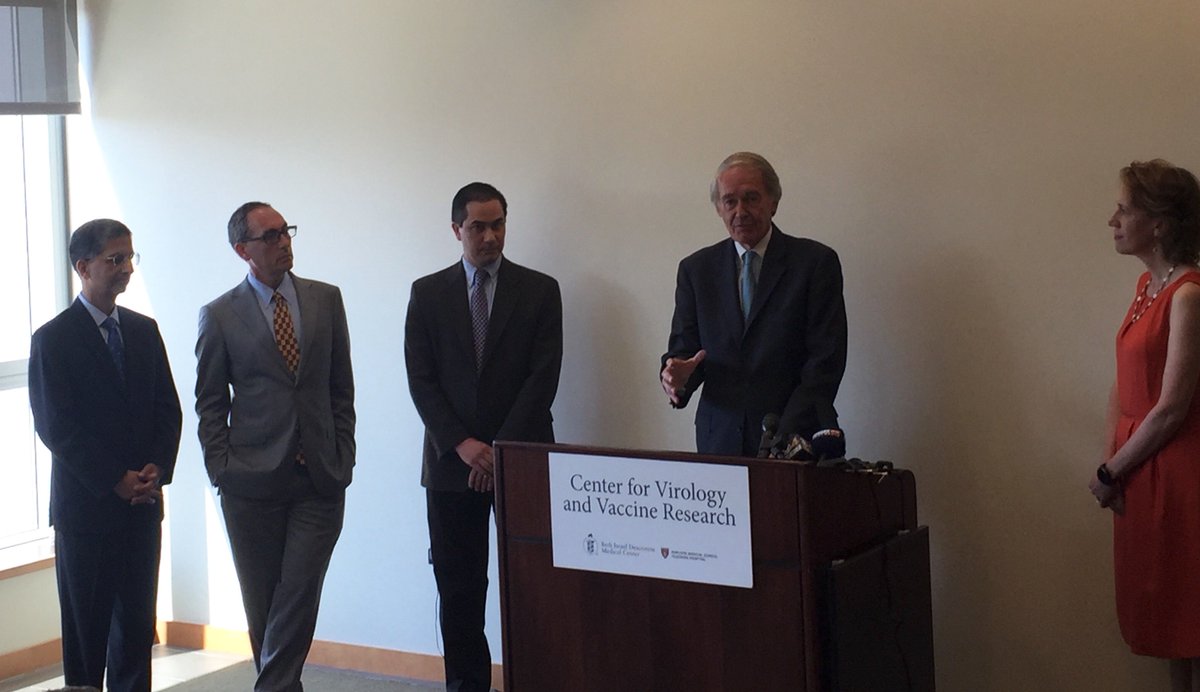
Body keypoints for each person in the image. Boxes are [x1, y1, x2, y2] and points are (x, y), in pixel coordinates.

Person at [405, 182, 563, 691]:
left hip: (522, 460)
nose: (490, 236)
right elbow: (421, 380)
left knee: (533, 585)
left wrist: (498, 451)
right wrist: (464, 446)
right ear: (457, 230)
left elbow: (543, 378)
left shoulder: (540, 290)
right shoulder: (427, 294)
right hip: (451, 465)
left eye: (498, 225)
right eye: (478, 226)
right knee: (459, 590)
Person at [195, 202, 356, 692]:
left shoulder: (325, 300)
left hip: (319, 476)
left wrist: (344, 453)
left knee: (298, 593)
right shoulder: (219, 315)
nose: (283, 241)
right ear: (242, 250)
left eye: (286, 231)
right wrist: (222, 469)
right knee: (264, 608)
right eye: (270, 236)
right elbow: (210, 403)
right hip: (249, 482)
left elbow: (340, 389)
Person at [28, 219, 183, 691]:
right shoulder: (53, 339)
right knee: (86, 637)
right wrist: (115, 477)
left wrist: (157, 467)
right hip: (87, 511)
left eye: (130, 257)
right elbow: (57, 427)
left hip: (141, 507)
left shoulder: (143, 330)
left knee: (136, 634)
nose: (127, 268)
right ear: (83, 266)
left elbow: (168, 409)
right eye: (115, 259)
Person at [1089, 159, 1200, 691]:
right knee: (1167, 623)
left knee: (1190, 616)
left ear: (1158, 222)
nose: (1113, 220)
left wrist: (1112, 471)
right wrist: (1111, 462)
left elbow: (1172, 407)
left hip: (1179, 474)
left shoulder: (1188, 295)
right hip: (1140, 467)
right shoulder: (1147, 286)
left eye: (1124, 210)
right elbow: (1124, 381)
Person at [661, 152, 848, 456]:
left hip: (796, 440)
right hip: (719, 441)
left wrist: (782, 434)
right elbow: (686, 352)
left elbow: (825, 361)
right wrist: (678, 379)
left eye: (751, 198)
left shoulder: (815, 263)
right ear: (718, 208)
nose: (741, 211)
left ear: (773, 202)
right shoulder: (696, 270)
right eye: (730, 201)